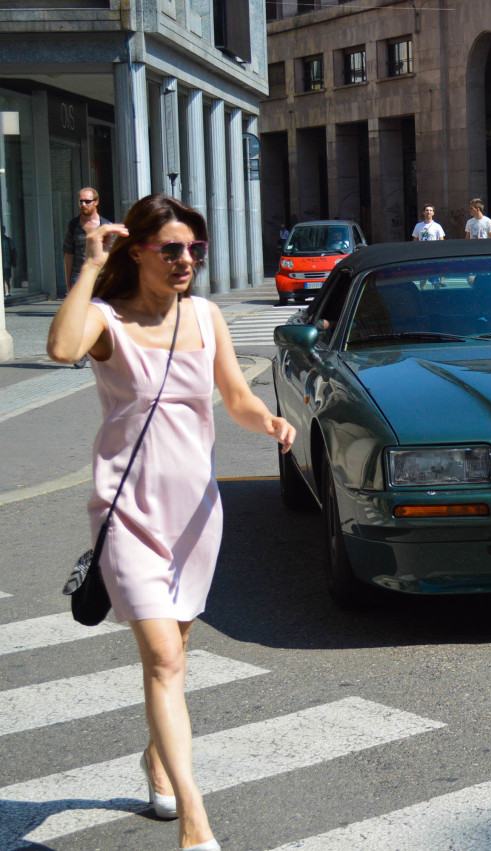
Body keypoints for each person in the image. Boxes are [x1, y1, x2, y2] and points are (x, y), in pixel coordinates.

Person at [45, 194, 296, 851]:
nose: (187, 260)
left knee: (172, 658)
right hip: (126, 511)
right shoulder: (106, 320)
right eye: (173, 249)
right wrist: (88, 265)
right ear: (139, 252)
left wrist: (267, 421)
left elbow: (235, 396)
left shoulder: (206, 317)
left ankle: (156, 759)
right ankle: (195, 821)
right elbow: (60, 346)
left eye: (195, 249)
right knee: (162, 656)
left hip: (194, 515)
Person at [64, 188, 114, 365]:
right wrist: (68, 281)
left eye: (87, 201)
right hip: (79, 276)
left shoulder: (106, 226)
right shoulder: (73, 225)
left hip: (101, 279)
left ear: (96, 202)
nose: (83, 204)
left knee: (103, 316)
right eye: (80, 201)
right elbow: (68, 254)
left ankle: (103, 350)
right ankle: (81, 351)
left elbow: (112, 256)